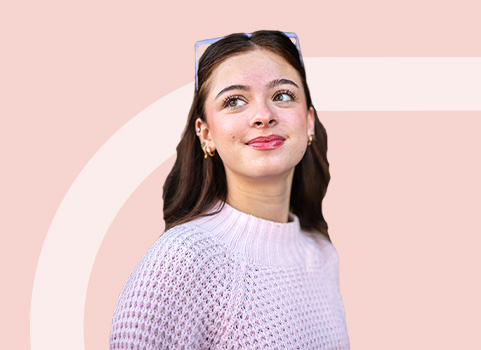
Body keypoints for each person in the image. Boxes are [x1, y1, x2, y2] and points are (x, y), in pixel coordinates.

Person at [110, 30, 349, 349]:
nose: (264, 116)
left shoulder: (321, 255)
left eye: (282, 95)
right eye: (234, 101)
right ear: (205, 133)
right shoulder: (182, 260)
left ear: (308, 121)